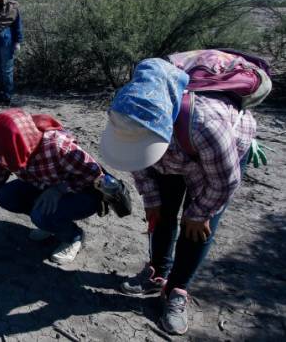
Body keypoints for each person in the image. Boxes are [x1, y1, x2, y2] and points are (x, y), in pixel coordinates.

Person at [99, 57, 256, 335]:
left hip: (215, 162)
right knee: (162, 213)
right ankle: (157, 272)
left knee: (196, 228)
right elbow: (135, 160)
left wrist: (200, 212)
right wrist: (151, 199)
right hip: (172, 154)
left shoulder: (206, 125)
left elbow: (226, 180)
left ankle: (177, 289)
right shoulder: (128, 112)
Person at [0, 108, 131, 264]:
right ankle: (50, 223)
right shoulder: (10, 148)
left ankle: (73, 236)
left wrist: (59, 190)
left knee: (40, 216)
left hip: (83, 193)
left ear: (17, 145)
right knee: (5, 195)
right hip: (46, 186)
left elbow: (96, 176)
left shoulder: (58, 147)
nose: (2, 162)